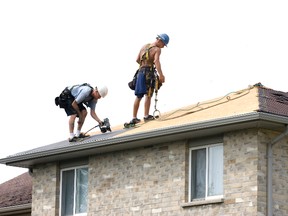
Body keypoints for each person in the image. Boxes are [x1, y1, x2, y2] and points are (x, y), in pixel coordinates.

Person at [130, 33, 169, 124]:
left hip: (140, 73)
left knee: (139, 96)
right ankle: (146, 116)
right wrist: (161, 75)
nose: (163, 47)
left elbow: (137, 59)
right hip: (148, 72)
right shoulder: (157, 49)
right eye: (163, 44)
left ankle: (134, 117)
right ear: (160, 40)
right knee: (148, 94)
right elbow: (156, 61)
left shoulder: (145, 46)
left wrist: (144, 63)